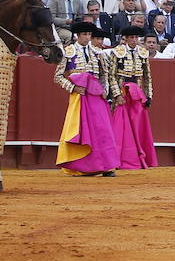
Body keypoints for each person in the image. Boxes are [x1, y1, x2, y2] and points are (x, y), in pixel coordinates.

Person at [54, 20, 121, 176]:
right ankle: (83, 167)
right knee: (82, 131)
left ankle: (106, 166)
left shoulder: (98, 52)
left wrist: (105, 90)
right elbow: (57, 77)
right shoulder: (68, 52)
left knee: (102, 131)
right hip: (79, 97)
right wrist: (73, 88)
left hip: (96, 97)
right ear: (77, 36)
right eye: (84, 34)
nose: (87, 37)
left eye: (89, 34)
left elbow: (105, 74)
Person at [110, 24, 157, 169]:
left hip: (137, 95)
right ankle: (118, 159)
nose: (134, 40)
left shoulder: (143, 53)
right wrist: (117, 95)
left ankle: (139, 157)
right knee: (121, 127)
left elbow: (147, 77)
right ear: (126, 38)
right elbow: (112, 76)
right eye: (132, 37)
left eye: (136, 37)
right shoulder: (117, 52)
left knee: (137, 127)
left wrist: (148, 96)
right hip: (123, 94)